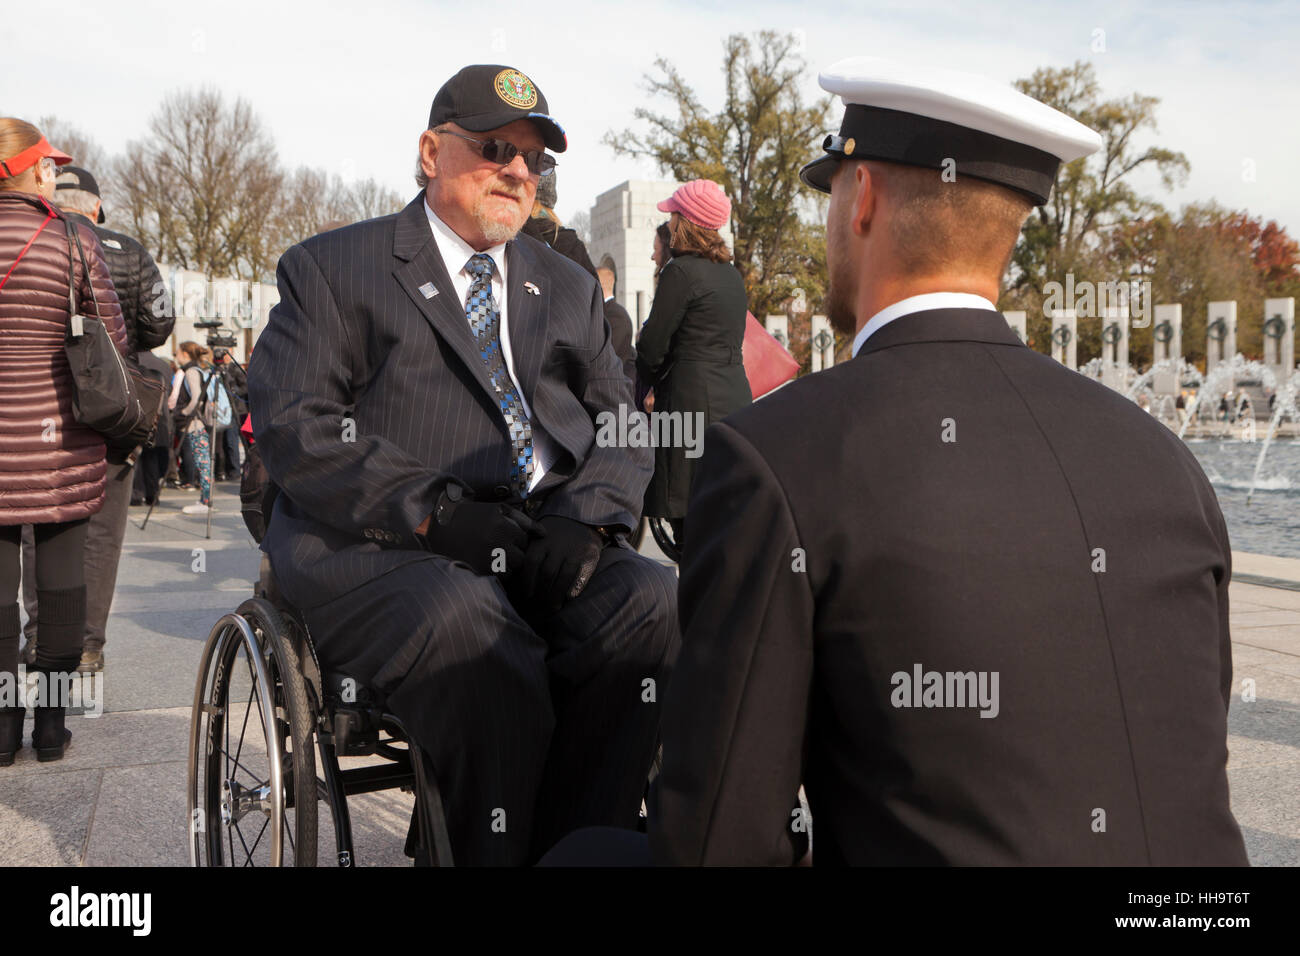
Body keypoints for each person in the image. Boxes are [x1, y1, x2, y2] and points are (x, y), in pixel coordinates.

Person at [649, 56, 1248, 865]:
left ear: (862, 198)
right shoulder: (1164, 460)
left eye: (831, 193)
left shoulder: (778, 458)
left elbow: (719, 831)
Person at [246, 64, 678, 866]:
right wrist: (431, 508)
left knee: (653, 602)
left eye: (536, 160)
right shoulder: (334, 269)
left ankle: (573, 849)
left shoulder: (569, 287)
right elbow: (296, 425)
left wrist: (587, 522)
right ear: (429, 152)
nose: (519, 171)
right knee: (469, 623)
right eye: (494, 148)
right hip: (384, 549)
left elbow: (622, 418)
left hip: (540, 534)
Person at [0, 119, 129, 764]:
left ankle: (0, 733)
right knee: (59, 593)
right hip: (58, 447)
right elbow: (113, 341)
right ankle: (50, 727)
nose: (55, 173)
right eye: (47, 164)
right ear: (24, 169)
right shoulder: (72, 238)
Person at [18, 165, 175, 674]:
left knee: (36, 525)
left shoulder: (34, 238)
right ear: (96, 206)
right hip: (110, 407)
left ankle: (40, 637)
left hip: (41, 408)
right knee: (103, 532)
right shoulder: (127, 249)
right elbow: (159, 322)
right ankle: (86, 645)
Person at [635, 180, 752, 544]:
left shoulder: (680, 272)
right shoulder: (732, 275)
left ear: (684, 222)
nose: (669, 222)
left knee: (689, 529)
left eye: (673, 215)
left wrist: (646, 378)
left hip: (688, 407)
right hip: (735, 404)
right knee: (723, 525)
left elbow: (652, 348)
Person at [171, 341, 216, 516]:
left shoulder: (190, 371)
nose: (176, 357)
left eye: (178, 353)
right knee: (203, 460)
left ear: (185, 354)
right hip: (199, 422)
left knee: (203, 461)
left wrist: (183, 412)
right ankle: (205, 498)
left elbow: (196, 398)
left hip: (195, 423)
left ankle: (206, 500)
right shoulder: (197, 369)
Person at [596, 267, 636, 387]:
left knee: (622, 407)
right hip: (608, 387)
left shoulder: (615, 315)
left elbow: (612, 354)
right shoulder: (605, 311)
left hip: (617, 389)